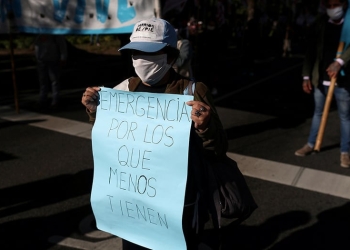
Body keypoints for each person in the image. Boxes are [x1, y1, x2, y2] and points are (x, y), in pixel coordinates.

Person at [81, 18, 228, 249]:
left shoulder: (193, 92)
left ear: (169, 56)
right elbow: (107, 141)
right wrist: (94, 112)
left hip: (178, 205)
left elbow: (218, 149)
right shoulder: (125, 89)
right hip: (131, 204)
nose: (140, 59)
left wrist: (205, 127)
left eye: (148, 52)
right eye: (135, 52)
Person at [294, 0, 350, 168]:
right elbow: (311, 51)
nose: (333, 9)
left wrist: (340, 62)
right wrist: (306, 76)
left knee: (345, 117)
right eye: (330, 5)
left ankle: (345, 152)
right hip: (321, 80)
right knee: (317, 113)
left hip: (342, 81)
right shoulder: (320, 24)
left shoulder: (348, 24)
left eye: (336, 4)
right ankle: (311, 144)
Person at [34, 34, 67, 109]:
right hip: (41, 60)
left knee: (54, 80)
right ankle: (42, 98)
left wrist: (63, 57)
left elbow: (62, 46)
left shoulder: (55, 34)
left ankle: (55, 99)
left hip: (53, 59)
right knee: (42, 80)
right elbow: (36, 46)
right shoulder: (39, 34)